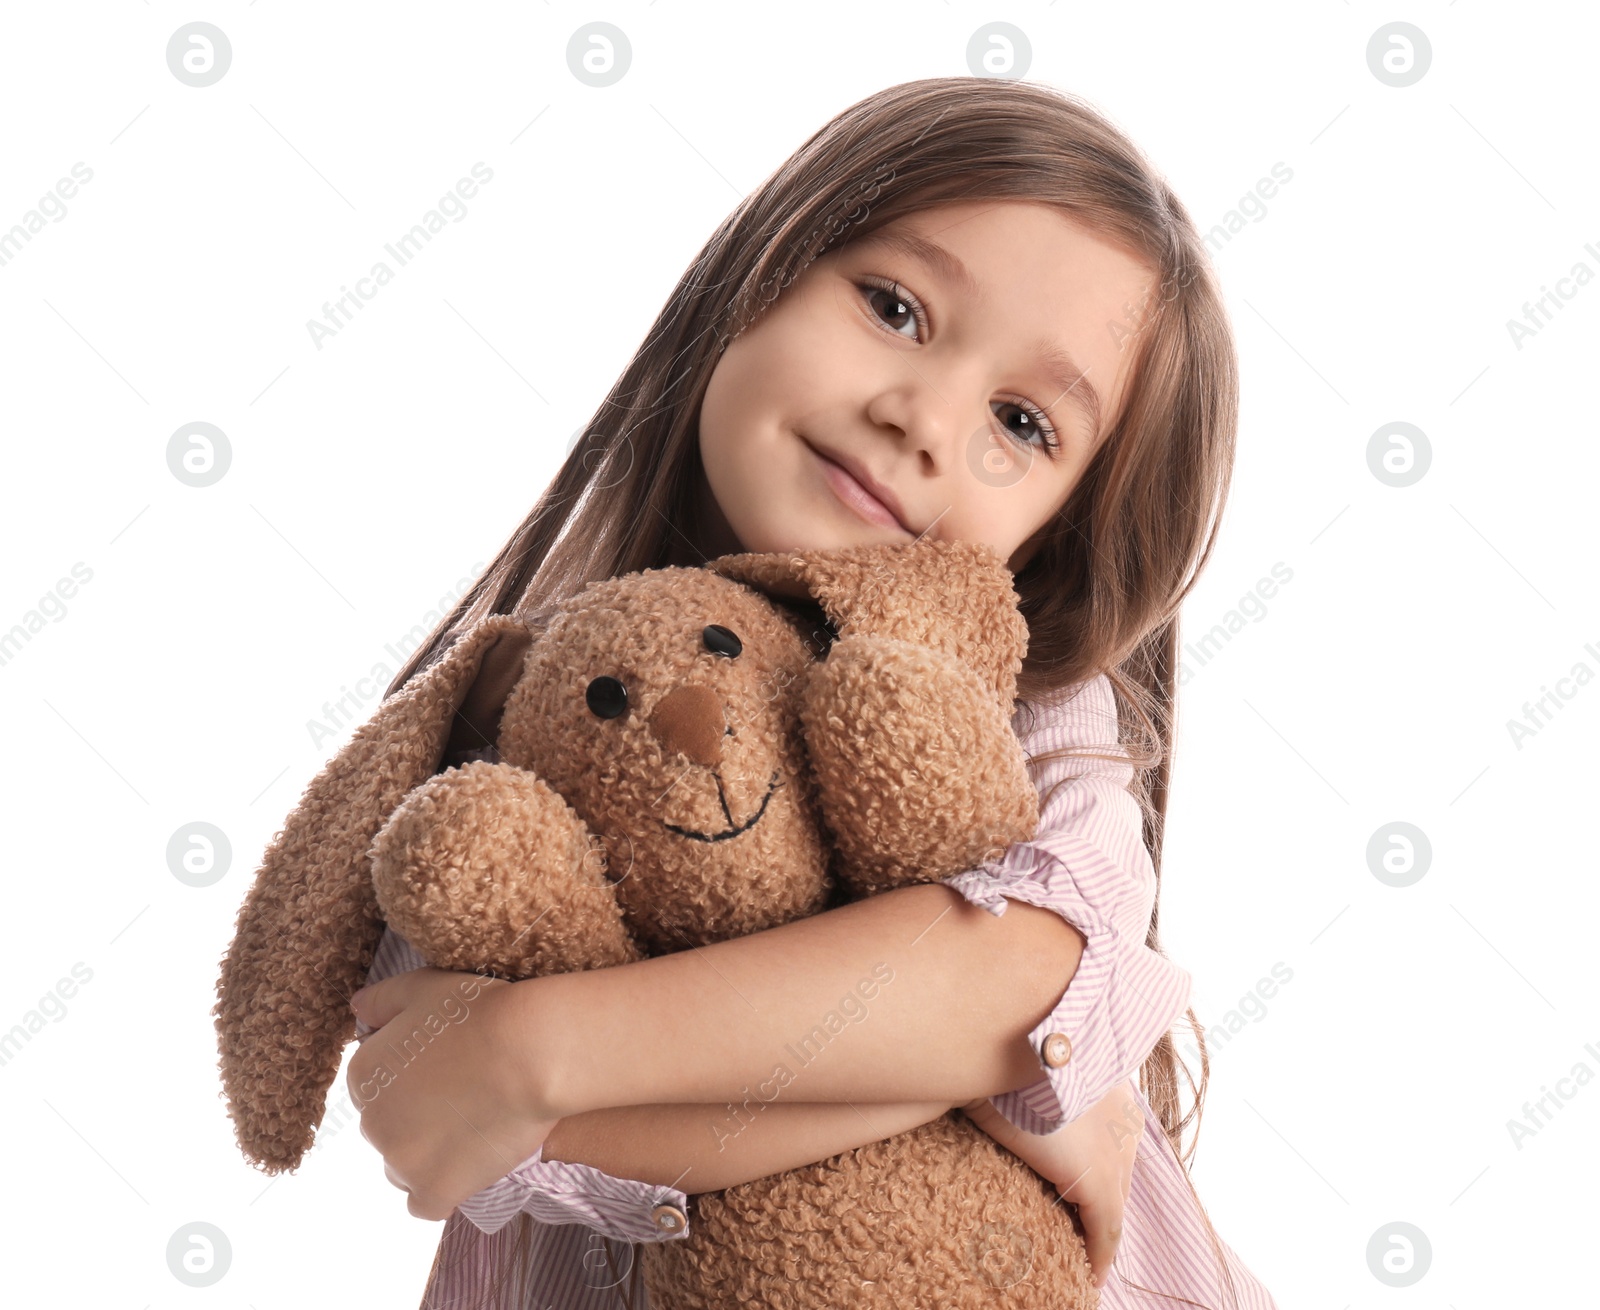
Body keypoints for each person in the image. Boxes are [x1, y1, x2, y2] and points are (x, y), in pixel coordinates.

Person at [345, 75, 1278, 1309]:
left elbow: (1016, 978)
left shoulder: (1036, 715)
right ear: (759, 273)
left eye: (1021, 419)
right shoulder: (538, 719)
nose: (923, 417)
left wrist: (545, 1048)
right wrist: (1020, 1097)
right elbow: (443, 1108)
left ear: (1057, 536)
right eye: (894, 306)